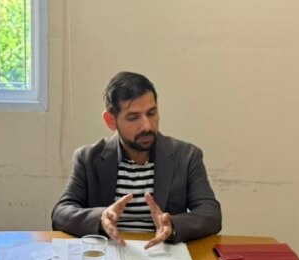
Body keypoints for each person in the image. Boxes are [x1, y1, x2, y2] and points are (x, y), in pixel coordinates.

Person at [51, 71, 221, 249]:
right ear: (111, 121)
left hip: (164, 255)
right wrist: (101, 218)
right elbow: (61, 213)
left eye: (152, 113)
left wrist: (173, 225)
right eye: (133, 117)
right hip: (111, 255)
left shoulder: (186, 156)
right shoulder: (88, 158)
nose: (147, 126)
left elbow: (211, 214)